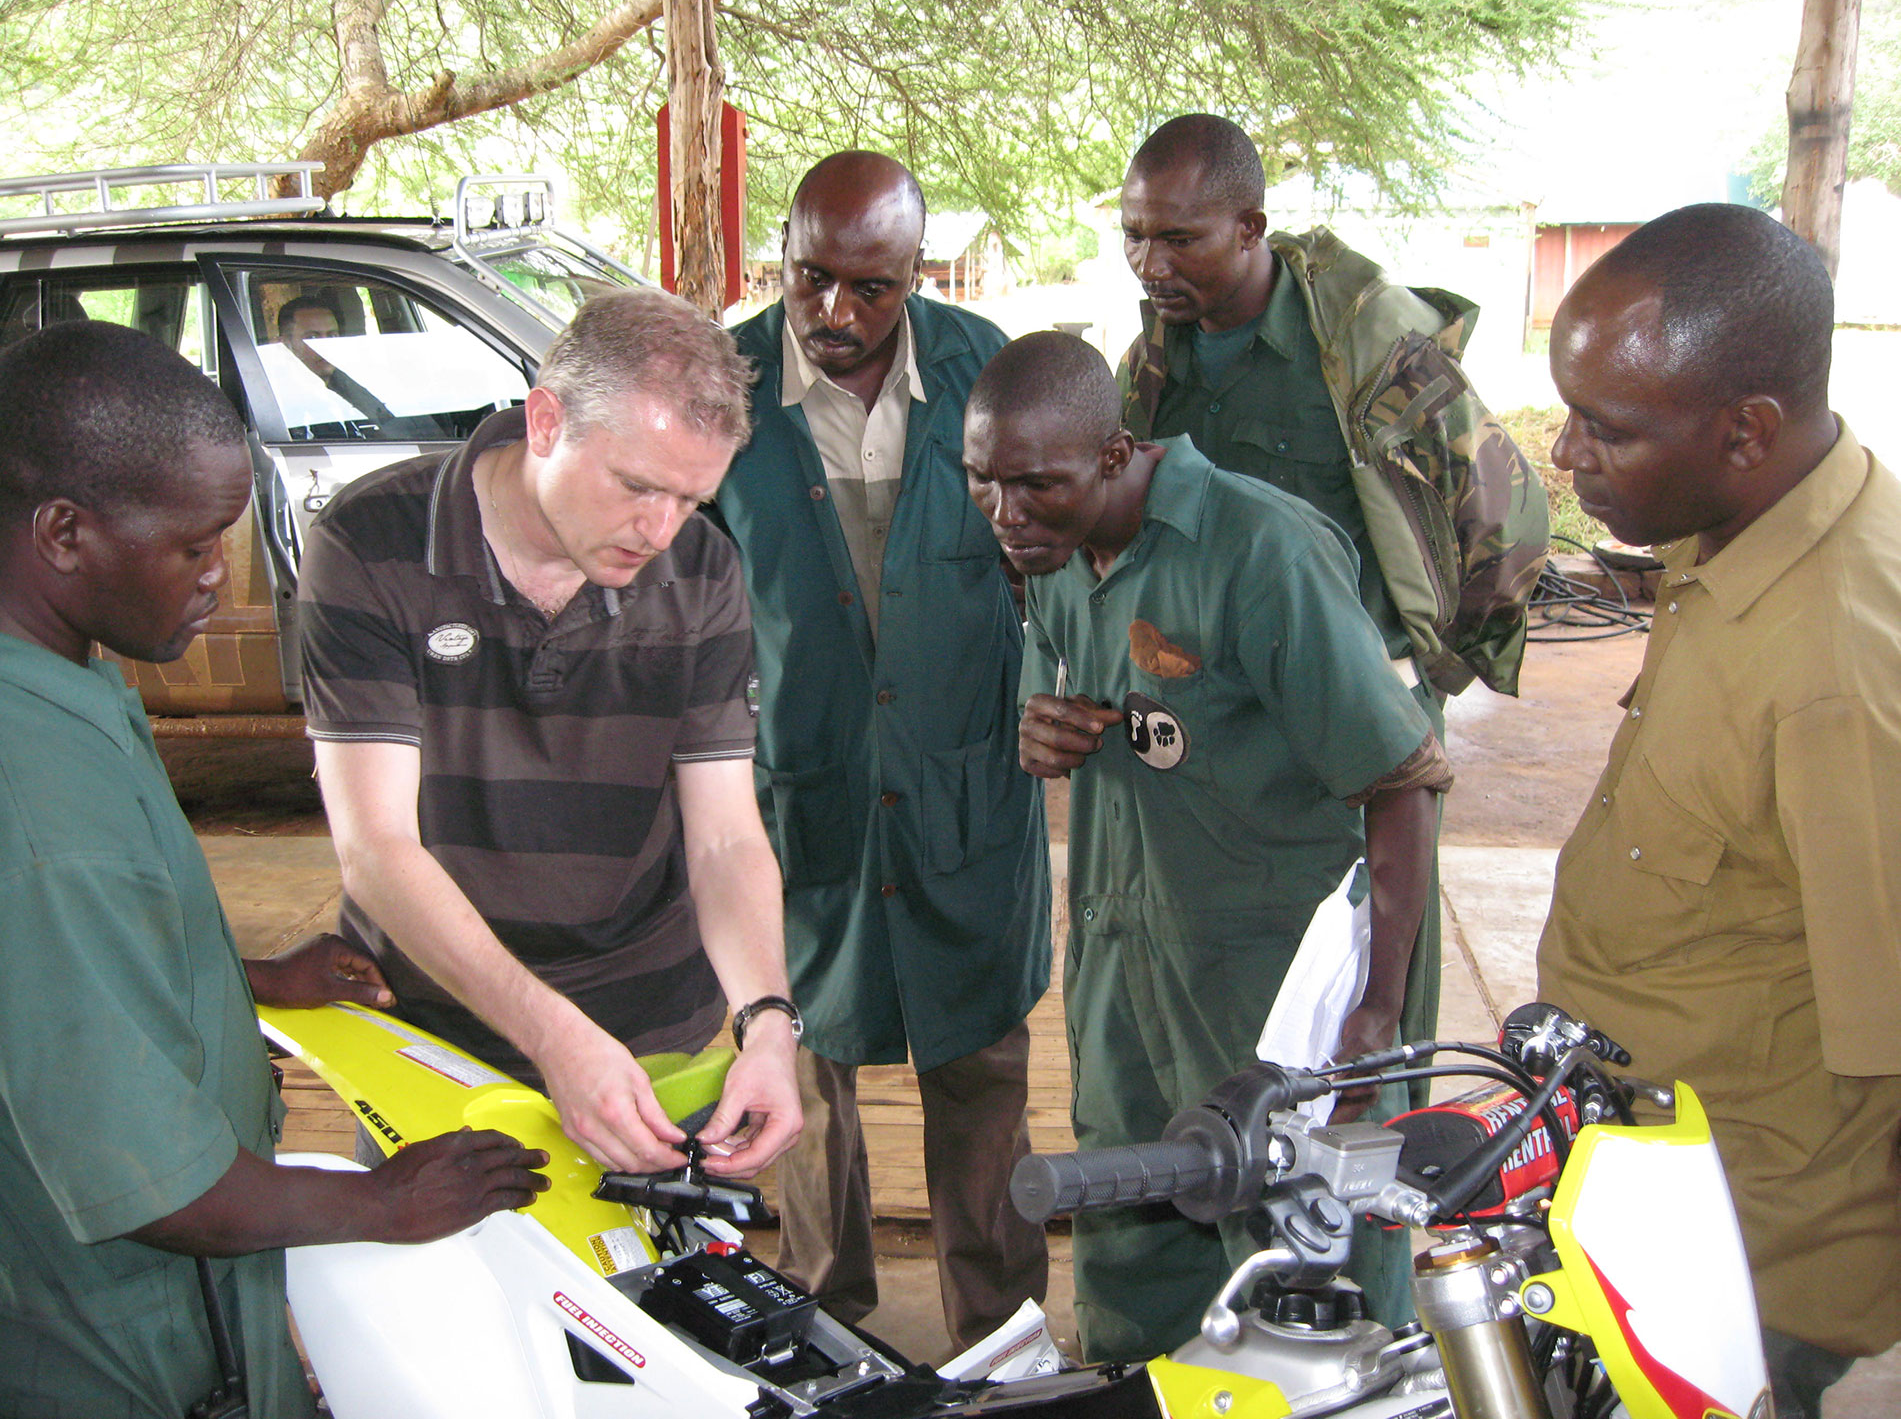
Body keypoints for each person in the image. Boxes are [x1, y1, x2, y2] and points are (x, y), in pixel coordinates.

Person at [0, 320, 548, 1418]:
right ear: (64, 533)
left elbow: (60, 980)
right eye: (194, 545)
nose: (219, 577)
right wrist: (378, 1204)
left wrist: (240, 978)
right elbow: (161, 1188)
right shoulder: (37, 803)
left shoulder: (64, 680)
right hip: (126, 1346)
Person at [966, 330, 1450, 1363]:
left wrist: (1377, 1006)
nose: (1005, 515)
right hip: (1125, 971)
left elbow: (1401, 781)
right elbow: (1050, 675)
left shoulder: (1258, 548)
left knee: (1312, 1278)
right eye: (980, 484)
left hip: (1268, 992)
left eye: (1033, 486)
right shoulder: (1050, 554)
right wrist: (1035, 723)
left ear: (1112, 455)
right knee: (1133, 1269)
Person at [296, 287, 802, 1181]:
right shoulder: (370, 543)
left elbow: (724, 835)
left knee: (647, 1310)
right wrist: (552, 1036)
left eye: (692, 497)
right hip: (442, 1039)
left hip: (656, 1043)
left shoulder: (702, 570)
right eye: (637, 486)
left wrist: (765, 1021)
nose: (660, 530)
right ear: (543, 421)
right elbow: (375, 849)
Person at [1534, 204, 1901, 1418]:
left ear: (1746, 429)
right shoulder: (1733, 524)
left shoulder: (1834, 674)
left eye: (1605, 429)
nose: (1562, 454)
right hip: (1641, 1188)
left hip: (1740, 1276)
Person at [1116, 114, 1546, 1092]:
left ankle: (1355, 1231)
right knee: (1222, 1021)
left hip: (1347, 746)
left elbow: (1506, 519)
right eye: (1134, 234)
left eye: (1177, 237)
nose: (1149, 262)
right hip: (1208, 736)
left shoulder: (1364, 351)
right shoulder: (1152, 360)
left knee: (1358, 1030)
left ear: (1248, 226)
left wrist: (1418, 670)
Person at [715, 151, 1050, 1347]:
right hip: (796, 790)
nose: (836, 316)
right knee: (798, 1069)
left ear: (918, 269)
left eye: (871, 287)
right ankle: (822, 1328)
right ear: (783, 256)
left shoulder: (985, 368)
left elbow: (1060, 560)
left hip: (965, 784)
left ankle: (999, 1339)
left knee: (982, 1072)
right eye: (811, 281)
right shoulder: (723, 383)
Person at [275, 294, 391, 422]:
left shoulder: (354, 387)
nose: (326, 347)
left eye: (332, 336)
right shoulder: (280, 402)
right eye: (312, 338)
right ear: (286, 344)